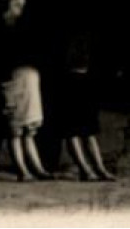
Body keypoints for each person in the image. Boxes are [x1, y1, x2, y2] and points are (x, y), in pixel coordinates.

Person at [0, 0, 51, 181]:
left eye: (22, 5)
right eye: (17, 4)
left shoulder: (23, 27)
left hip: (29, 79)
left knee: (29, 129)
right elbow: (1, 61)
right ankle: (22, 170)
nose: (21, 8)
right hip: (14, 80)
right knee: (16, 129)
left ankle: (37, 167)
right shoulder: (1, 28)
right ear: (8, 5)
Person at [49, 30, 114, 181]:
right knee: (84, 131)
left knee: (75, 131)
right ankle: (95, 169)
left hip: (74, 81)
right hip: (83, 80)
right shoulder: (86, 36)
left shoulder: (67, 38)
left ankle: (91, 169)